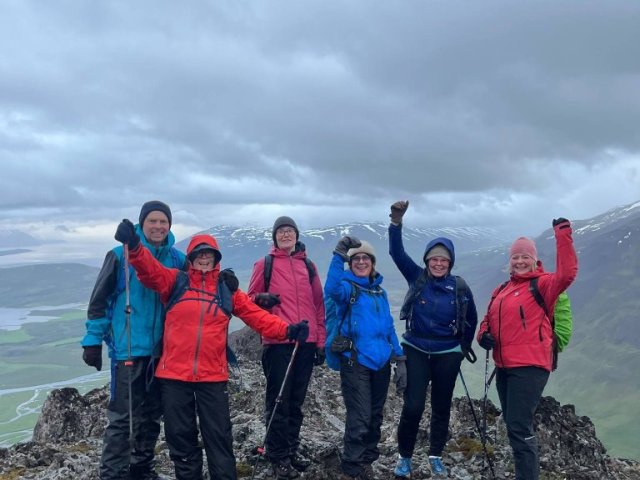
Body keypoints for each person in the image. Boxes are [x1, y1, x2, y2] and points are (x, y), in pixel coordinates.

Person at [114, 220, 310, 480]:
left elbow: (255, 315)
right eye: (199, 254)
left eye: (210, 254)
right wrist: (135, 245)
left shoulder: (226, 289)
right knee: (181, 440)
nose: (204, 258)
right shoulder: (176, 281)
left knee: (219, 439)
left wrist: (287, 330)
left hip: (212, 377)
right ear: (191, 258)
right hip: (173, 376)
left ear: (216, 259)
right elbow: (149, 269)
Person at [81, 200, 186, 480]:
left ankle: (141, 469)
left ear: (170, 225)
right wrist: (92, 341)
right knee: (122, 419)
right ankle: (113, 474)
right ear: (142, 224)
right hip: (127, 349)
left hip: (162, 353)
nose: (158, 226)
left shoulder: (178, 259)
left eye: (163, 221)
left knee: (151, 416)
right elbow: (99, 302)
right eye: (152, 221)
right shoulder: (119, 255)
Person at [477, 218, 578, 480]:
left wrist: (563, 235)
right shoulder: (502, 289)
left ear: (534, 260)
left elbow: (567, 274)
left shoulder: (543, 284)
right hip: (504, 367)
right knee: (514, 426)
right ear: (509, 261)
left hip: (530, 367)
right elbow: (488, 319)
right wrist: (483, 335)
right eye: (515, 257)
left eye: (525, 257)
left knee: (520, 428)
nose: (520, 261)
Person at [388, 200, 478, 479]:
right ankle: (404, 457)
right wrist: (395, 223)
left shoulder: (459, 286)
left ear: (450, 263)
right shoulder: (416, 277)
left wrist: (461, 349)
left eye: (444, 260)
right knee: (413, 405)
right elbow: (396, 253)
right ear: (427, 261)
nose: (438, 263)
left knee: (441, 405)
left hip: (447, 353)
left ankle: (435, 456)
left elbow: (471, 319)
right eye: (434, 259)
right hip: (415, 347)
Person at [247, 216, 326, 480]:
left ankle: (291, 450)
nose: (285, 235)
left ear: (296, 235)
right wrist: (261, 299)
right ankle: (278, 456)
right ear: (274, 237)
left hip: (306, 342)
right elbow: (248, 302)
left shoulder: (308, 266)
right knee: (278, 401)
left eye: (289, 230)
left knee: (296, 402)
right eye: (280, 231)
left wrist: (320, 341)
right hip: (278, 342)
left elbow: (318, 305)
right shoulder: (265, 264)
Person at [325, 236, 405, 480]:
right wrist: (339, 255)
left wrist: (399, 358)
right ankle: (352, 464)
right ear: (350, 264)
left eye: (365, 258)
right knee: (359, 415)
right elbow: (331, 289)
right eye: (356, 259)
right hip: (355, 361)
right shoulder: (347, 288)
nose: (361, 262)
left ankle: (367, 459)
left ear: (372, 262)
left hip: (380, 362)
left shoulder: (379, 291)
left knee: (375, 415)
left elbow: (388, 327)